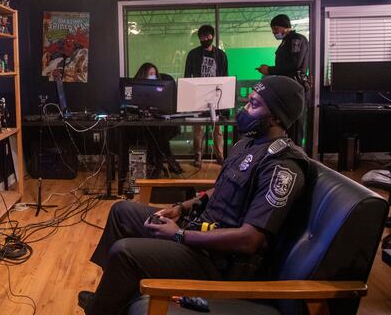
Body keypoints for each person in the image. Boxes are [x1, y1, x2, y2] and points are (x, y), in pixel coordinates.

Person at [78, 76, 309, 315]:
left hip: (218, 262)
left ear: (275, 117)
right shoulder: (248, 144)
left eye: (254, 104)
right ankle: (112, 296)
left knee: (124, 252)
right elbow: (221, 189)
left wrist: (179, 235)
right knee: (122, 212)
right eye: (248, 102)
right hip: (200, 231)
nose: (244, 109)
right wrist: (181, 208)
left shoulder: (282, 167)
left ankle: (100, 309)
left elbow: (250, 240)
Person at [257, 14, 310, 147]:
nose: (274, 32)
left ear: (285, 27)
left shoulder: (296, 39)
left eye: (275, 28)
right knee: (287, 125)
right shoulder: (286, 41)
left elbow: (294, 63)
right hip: (287, 88)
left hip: (295, 88)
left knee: (296, 126)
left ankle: (297, 157)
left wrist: (270, 70)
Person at [184, 24, 229, 167]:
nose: (205, 39)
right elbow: (187, 77)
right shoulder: (193, 54)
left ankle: (219, 155)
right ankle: (198, 156)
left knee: (218, 128)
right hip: (198, 95)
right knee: (198, 128)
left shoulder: (221, 55)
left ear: (212, 37)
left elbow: (225, 77)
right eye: (202, 37)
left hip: (216, 94)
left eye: (207, 36)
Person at [133, 62, 183, 175]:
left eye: (155, 74)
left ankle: (157, 166)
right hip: (144, 125)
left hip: (162, 123)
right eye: (150, 73)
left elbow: (168, 107)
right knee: (156, 136)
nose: (153, 76)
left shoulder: (160, 88)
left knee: (158, 135)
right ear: (143, 75)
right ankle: (166, 162)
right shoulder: (137, 88)